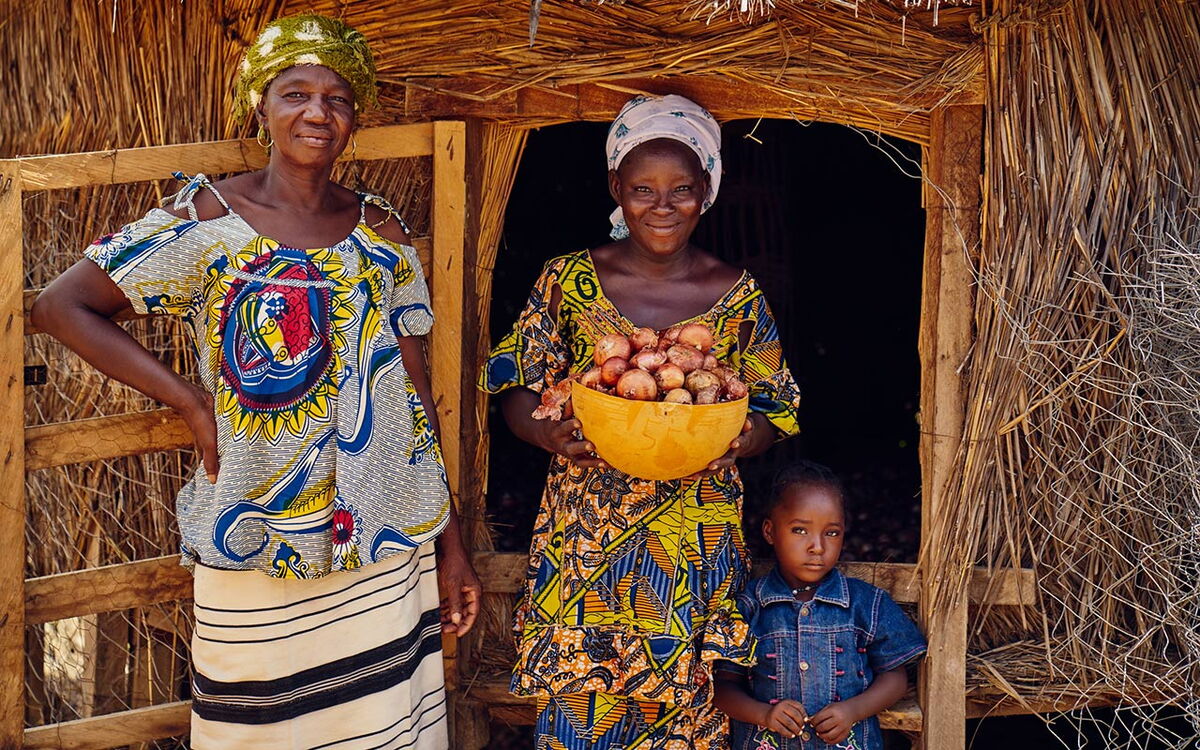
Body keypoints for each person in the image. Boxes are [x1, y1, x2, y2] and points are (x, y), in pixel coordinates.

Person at [30, 14, 480, 749]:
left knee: (381, 724)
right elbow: (62, 306)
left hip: (388, 529)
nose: (317, 112)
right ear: (261, 107)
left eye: (337, 99)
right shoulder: (205, 219)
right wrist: (190, 401)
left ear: (354, 119)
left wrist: (451, 539)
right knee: (253, 726)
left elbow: (413, 392)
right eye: (296, 93)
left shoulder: (381, 231)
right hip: (255, 524)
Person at [480, 94, 801, 748]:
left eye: (681, 189)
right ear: (615, 188)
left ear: (707, 189)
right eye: (643, 189)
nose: (662, 204)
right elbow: (515, 381)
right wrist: (545, 432)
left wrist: (748, 436)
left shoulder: (737, 293)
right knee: (582, 712)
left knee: (689, 716)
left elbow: (776, 404)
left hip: (695, 542)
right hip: (588, 542)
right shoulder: (566, 280)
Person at [713, 462, 926, 750]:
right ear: (769, 531)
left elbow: (896, 678)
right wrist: (764, 714)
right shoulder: (748, 608)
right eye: (800, 530)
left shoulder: (866, 604)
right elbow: (723, 689)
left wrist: (854, 710)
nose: (817, 546)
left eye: (832, 533)